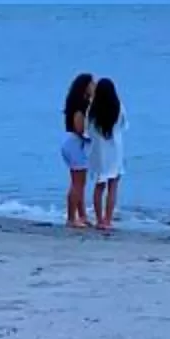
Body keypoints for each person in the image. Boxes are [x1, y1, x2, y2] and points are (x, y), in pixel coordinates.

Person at [87, 76, 126, 233]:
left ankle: (99, 220)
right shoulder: (118, 107)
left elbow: (88, 130)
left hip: (98, 151)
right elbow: (123, 125)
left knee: (99, 186)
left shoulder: (92, 110)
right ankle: (108, 220)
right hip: (115, 150)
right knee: (113, 187)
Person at [60, 73, 96, 229]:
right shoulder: (81, 105)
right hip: (76, 144)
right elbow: (79, 128)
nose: (94, 86)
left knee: (80, 182)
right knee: (77, 183)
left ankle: (82, 216)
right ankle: (71, 218)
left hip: (71, 142)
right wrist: (91, 137)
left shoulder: (77, 103)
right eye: (92, 84)